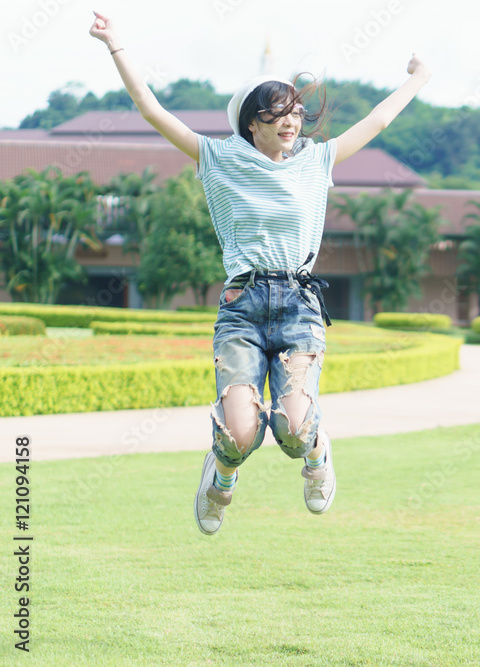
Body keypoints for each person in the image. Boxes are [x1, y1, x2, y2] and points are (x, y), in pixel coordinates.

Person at [89, 11, 431, 535]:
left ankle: (316, 456)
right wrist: (116, 44)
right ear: (252, 122)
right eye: (277, 113)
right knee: (241, 434)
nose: (290, 121)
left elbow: (379, 122)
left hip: (299, 305)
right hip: (242, 308)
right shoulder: (216, 157)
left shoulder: (317, 161)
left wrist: (418, 78)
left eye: (294, 112)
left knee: (293, 430)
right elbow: (150, 108)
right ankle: (220, 479)